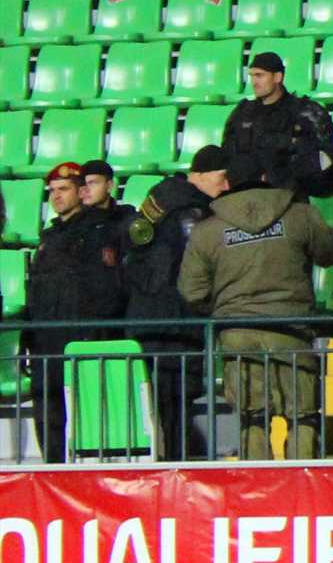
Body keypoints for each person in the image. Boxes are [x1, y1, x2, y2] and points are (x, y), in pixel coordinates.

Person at [177, 156, 333, 461]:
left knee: (252, 419)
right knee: (303, 417)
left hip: (237, 335)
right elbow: (331, 251)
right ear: (265, 178)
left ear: (228, 183)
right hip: (291, 330)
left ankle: (256, 483)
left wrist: (226, 309)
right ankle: (303, 480)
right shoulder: (299, 215)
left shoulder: (208, 230)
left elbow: (191, 291)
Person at [123, 147, 229, 461]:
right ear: (201, 174)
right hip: (179, 323)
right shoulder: (196, 214)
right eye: (222, 178)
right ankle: (174, 470)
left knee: (159, 405)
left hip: (148, 319)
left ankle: (164, 464)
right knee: (177, 403)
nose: (226, 187)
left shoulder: (158, 200)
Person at [22, 160, 130, 463]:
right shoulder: (50, 236)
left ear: (81, 192)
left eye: (63, 189)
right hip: (46, 340)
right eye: (52, 191)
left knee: (86, 415)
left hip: (79, 338)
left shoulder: (98, 231)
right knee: (47, 412)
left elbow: (105, 290)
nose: (56, 196)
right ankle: (53, 471)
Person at [221, 48, 333, 199]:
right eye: (252, 76)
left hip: (290, 199)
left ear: (278, 77)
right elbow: (227, 155)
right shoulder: (242, 113)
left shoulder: (305, 113)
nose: (254, 82)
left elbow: (329, 161)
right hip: (246, 198)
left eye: (260, 75)